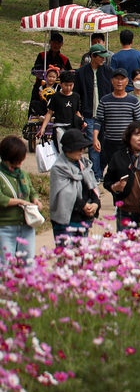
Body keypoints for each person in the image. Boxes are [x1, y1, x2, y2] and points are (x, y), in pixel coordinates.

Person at [48, 128, 101, 246]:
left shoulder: (84, 165)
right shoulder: (59, 168)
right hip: (66, 222)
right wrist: (83, 205)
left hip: (83, 220)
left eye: (83, 147)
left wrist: (95, 203)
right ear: (68, 149)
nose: (82, 151)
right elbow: (65, 195)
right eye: (79, 148)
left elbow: (92, 187)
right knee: (66, 259)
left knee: (81, 260)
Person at [92, 68, 140, 175]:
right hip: (110, 143)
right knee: (114, 171)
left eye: (122, 79)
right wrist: (95, 138)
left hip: (127, 143)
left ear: (127, 81)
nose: (119, 82)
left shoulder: (133, 101)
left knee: (127, 171)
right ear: (112, 81)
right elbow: (98, 120)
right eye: (117, 79)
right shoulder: (105, 100)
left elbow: (138, 123)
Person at [75, 44, 113, 180]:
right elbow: (76, 94)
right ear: (92, 56)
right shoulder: (81, 73)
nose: (103, 60)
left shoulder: (108, 72)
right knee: (93, 146)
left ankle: (100, 169)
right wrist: (79, 114)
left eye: (104, 57)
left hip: (106, 116)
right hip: (89, 116)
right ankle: (96, 175)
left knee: (105, 147)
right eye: (100, 57)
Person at [0, 136, 38, 268]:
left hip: (27, 226)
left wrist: (35, 200)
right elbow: (2, 199)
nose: (20, 163)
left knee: (28, 263)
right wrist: (20, 202)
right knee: (6, 265)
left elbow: (32, 191)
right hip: (5, 227)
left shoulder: (23, 174)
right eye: (16, 160)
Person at [41, 70, 84, 146]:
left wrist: (82, 121)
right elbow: (50, 112)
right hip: (59, 126)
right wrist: (43, 128)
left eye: (71, 85)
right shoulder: (56, 97)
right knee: (62, 149)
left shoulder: (76, 96)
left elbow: (76, 111)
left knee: (71, 149)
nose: (68, 88)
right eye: (66, 85)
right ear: (60, 84)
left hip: (72, 127)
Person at [30, 32, 71, 103]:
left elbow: (70, 72)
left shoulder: (64, 59)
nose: (56, 45)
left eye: (58, 43)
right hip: (41, 84)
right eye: (54, 42)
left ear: (61, 45)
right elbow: (36, 69)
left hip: (57, 87)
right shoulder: (42, 55)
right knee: (34, 102)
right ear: (50, 42)